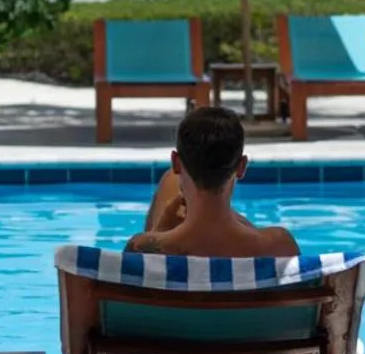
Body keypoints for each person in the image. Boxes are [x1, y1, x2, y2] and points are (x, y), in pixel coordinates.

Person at [125, 103, 299, 258]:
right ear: (241, 167)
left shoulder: (142, 248)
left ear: (176, 163)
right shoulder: (280, 246)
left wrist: (160, 231)